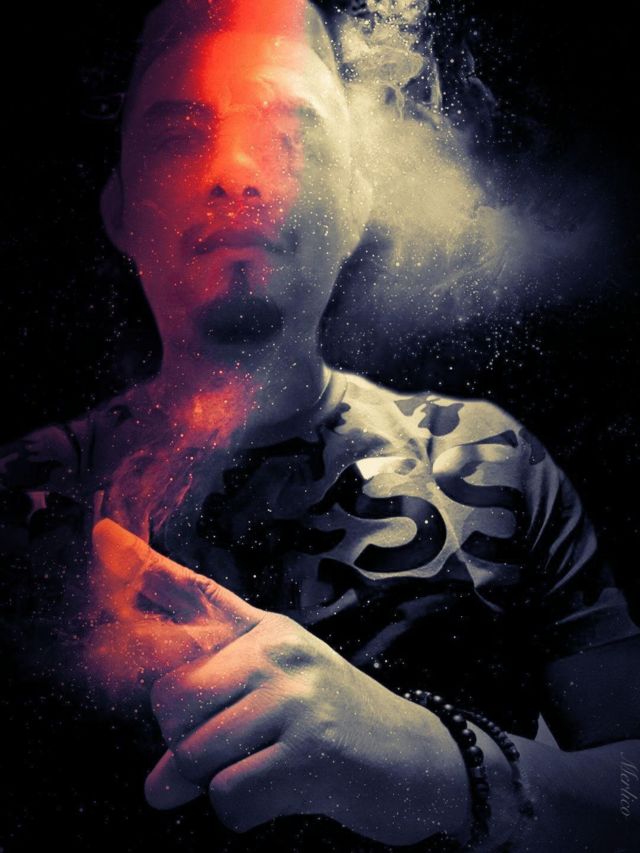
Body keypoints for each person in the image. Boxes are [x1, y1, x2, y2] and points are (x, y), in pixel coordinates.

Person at [1, 0, 639, 850]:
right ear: (119, 207)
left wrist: (446, 771)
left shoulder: (491, 460)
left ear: (356, 200)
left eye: (289, 133)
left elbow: (633, 792)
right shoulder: (20, 497)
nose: (235, 170)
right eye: (180, 134)